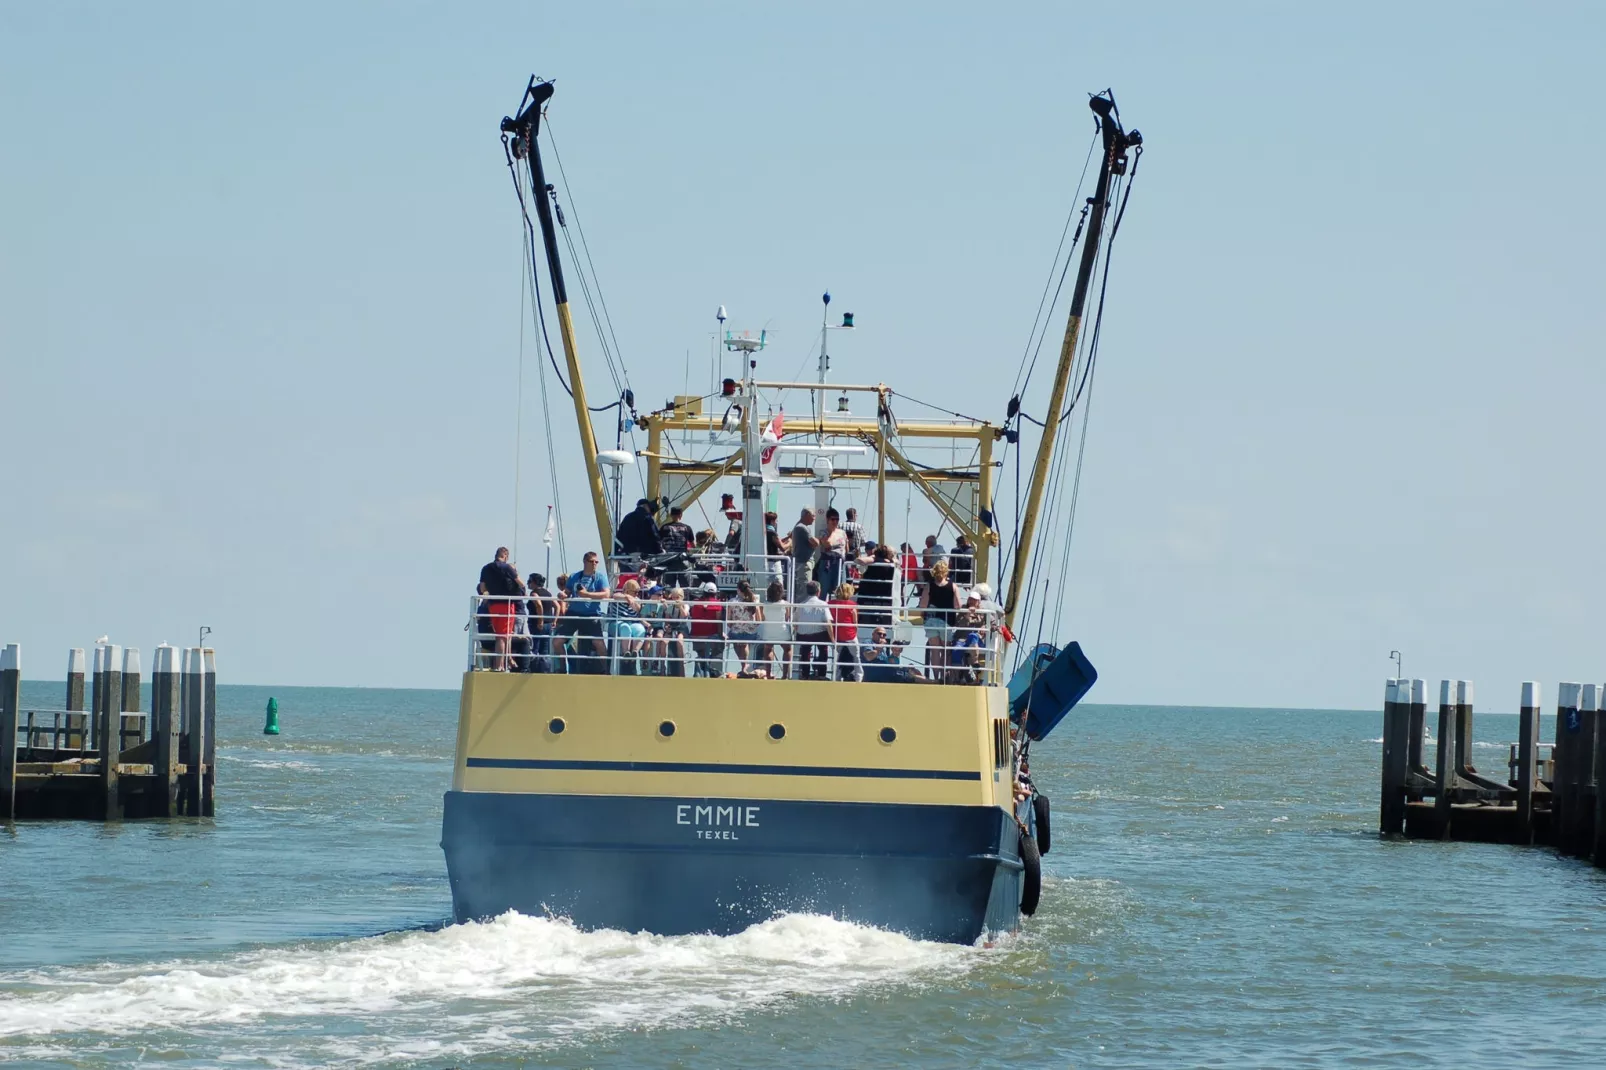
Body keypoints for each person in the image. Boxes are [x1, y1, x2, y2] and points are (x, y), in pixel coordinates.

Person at [563, 552, 611, 673]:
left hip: (591, 614)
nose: (595, 564)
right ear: (585, 562)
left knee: (598, 643)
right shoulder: (574, 576)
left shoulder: (600, 577)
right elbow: (567, 591)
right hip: (573, 614)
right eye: (592, 561)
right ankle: (563, 669)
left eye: (596, 562)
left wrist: (587, 595)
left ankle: (607, 670)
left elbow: (606, 594)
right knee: (557, 642)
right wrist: (562, 594)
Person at [478, 546, 522, 670]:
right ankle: (499, 665)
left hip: (493, 605)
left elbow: (482, 589)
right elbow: (521, 583)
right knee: (503, 636)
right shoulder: (507, 567)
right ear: (506, 556)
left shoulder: (486, 568)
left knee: (501, 635)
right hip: (506, 604)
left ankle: (505, 662)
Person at [919, 559, 959, 681]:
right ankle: (944, 675)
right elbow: (958, 605)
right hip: (946, 621)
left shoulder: (929, 585)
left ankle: (936, 677)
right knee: (946, 649)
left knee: (935, 650)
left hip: (931, 620)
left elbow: (923, 604)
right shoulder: (952, 586)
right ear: (946, 572)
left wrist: (922, 613)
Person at [791, 580, 832, 680]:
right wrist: (833, 639)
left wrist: (799, 632)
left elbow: (795, 623)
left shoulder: (800, 605)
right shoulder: (823, 604)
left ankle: (805, 675)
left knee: (805, 650)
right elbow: (828, 623)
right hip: (819, 635)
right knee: (823, 649)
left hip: (803, 635)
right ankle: (822, 674)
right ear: (818, 591)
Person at [855, 543, 898, 638]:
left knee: (865, 623)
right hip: (884, 599)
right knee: (883, 627)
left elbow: (859, 560)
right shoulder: (892, 563)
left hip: (868, 597)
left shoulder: (875, 560)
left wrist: (872, 557)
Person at [688, 580, 727, 678]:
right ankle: (708, 668)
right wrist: (721, 635)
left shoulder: (695, 603)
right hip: (710, 638)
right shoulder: (718, 604)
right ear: (715, 593)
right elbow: (719, 623)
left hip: (696, 637)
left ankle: (703, 666)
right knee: (720, 645)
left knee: (702, 653)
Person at [610, 579, 647, 671]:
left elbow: (638, 609)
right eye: (635, 592)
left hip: (632, 622)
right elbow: (615, 596)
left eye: (638, 592)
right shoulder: (618, 596)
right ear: (627, 590)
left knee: (640, 629)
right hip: (617, 622)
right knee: (625, 628)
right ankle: (625, 652)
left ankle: (634, 652)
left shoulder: (637, 600)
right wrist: (626, 597)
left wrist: (633, 602)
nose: (637, 594)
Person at [829, 582, 862, 682]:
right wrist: (855, 633)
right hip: (850, 634)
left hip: (837, 635)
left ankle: (836, 678)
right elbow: (855, 621)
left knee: (837, 659)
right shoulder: (852, 605)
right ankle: (859, 678)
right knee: (856, 657)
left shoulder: (830, 604)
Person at [758, 578, 790, 679]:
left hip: (768, 631)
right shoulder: (786, 604)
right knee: (788, 649)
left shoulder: (764, 605)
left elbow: (762, 618)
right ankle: (784, 675)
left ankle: (768, 674)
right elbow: (787, 617)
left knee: (768, 649)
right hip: (782, 631)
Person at [726, 578, 761, 672]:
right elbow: (759, 620)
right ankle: (744, 667)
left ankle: (744, 666)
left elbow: (728, 622)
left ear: (738, 590)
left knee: (737, 640)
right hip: (751, 632)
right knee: (743, 642)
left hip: (736, 632)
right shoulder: (755, 600)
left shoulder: (732, 602)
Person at [814, 508, 848, 599]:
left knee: (840, 590)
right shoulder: (823, 532)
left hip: (840, 562)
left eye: (837, 519)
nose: (835, 522)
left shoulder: (842, 533)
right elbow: (827, 544)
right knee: (823, 590)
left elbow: (846, 548)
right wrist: (832, 532)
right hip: (827, 563)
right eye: (833, 519)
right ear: (827, 520)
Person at [785, 508, 818, 602]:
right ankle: (801, 612)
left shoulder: (798, 526)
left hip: (801, 562)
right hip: (804, 563)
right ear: (807, 515)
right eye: (813, 516)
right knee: (804, 590)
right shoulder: (802, 528)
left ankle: (798, 611)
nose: (814, 518)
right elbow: (815, 543)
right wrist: (818, 540)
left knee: (800, 589)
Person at [662, 586, 691, 676]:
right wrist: (667, 627)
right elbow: (667, 620)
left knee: (679, 642)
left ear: (682, 597)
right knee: (663, 642)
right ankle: (662, 667)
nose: (675, 599)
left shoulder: (686, 605)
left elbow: (685, 615)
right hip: (672, 627)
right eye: (673, 597)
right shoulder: (671, 607)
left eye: (677, 597)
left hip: (682, 627)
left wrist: (680, 606)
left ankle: (682, 670)